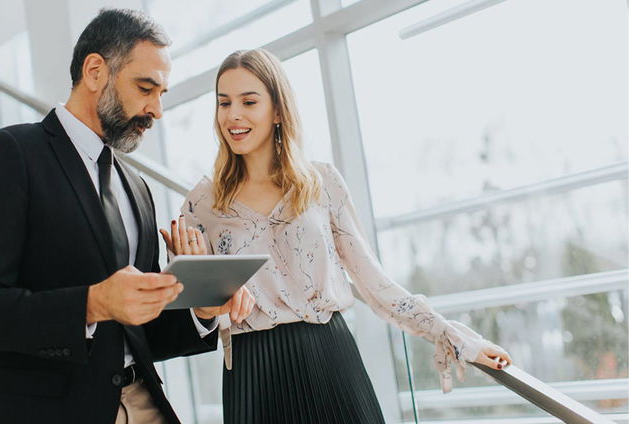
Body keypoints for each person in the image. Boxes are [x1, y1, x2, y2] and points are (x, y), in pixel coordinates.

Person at [161, 48, 513, 424]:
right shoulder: (203, 204)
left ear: (278, 111)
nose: (233, 115)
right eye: (224, 102)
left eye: (249, 101)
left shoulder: (321, 183)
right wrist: (199, 287)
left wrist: (455, 337)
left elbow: (373, 281)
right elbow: (192, 314)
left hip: (330, 359)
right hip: (253, 371)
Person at [0, 9, 254, 424]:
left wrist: (201, 311)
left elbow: (140, 333)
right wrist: (91, 304)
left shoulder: (137, 187)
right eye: (146, 88)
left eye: (162, 93)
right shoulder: (12, 154)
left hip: (143, 401)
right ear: (95, 71)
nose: (157, 110)